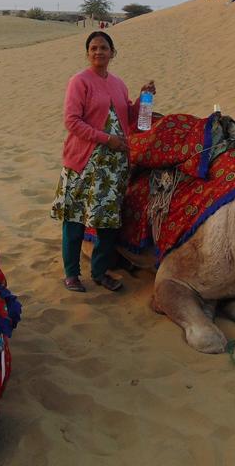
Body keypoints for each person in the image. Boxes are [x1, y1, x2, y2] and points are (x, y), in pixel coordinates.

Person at [51, 31, 155, 293]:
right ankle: (72, 274)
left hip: (113, 167)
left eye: (104, 48)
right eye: (94, 48)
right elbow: (72, 121)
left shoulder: (119, 84)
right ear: (87, 53)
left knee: (107, 222)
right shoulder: (80, 81)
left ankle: (99, 272)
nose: (99, 52)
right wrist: (107, 139)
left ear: (112, 53)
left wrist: (145, 99)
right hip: (82, 163)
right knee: (74, 220)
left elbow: (128, 118)